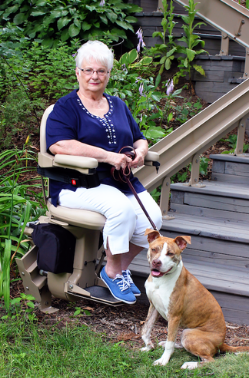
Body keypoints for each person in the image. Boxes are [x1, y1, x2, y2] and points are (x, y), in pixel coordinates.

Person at [46, 40, 162, 304]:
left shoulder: (118, 105)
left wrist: (141, 153)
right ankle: (110, 271)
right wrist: (108, 156)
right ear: (77, 73)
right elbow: (59, 144)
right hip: (76, 184)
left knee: (152, 221)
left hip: (119, 181)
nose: (94, 76)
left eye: (101, 71)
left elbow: (139, 138)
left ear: (108, 74)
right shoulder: (65, 108)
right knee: (120, 209)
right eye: (88, 70)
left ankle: (120, 268)